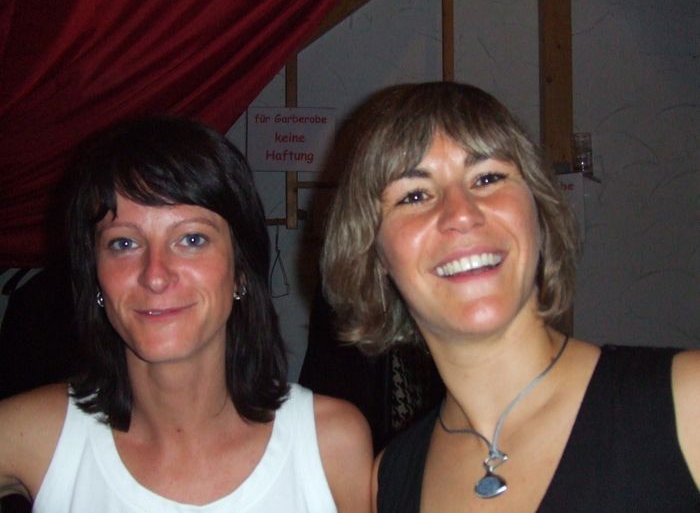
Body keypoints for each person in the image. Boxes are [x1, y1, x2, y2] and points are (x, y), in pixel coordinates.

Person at [321, 82, 700, 512]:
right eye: (415, 195)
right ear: (374, 255)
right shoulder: (388, 480)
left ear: (539, 211)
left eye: (487, 178)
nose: (461, 213)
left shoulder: (688, 403)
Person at [0, 116, 372, 511]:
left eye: (192, 239)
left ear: (240, 269)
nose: (155, 275)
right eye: (124, 243)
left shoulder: (331, 445)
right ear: (94, 274)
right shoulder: (32, 437)